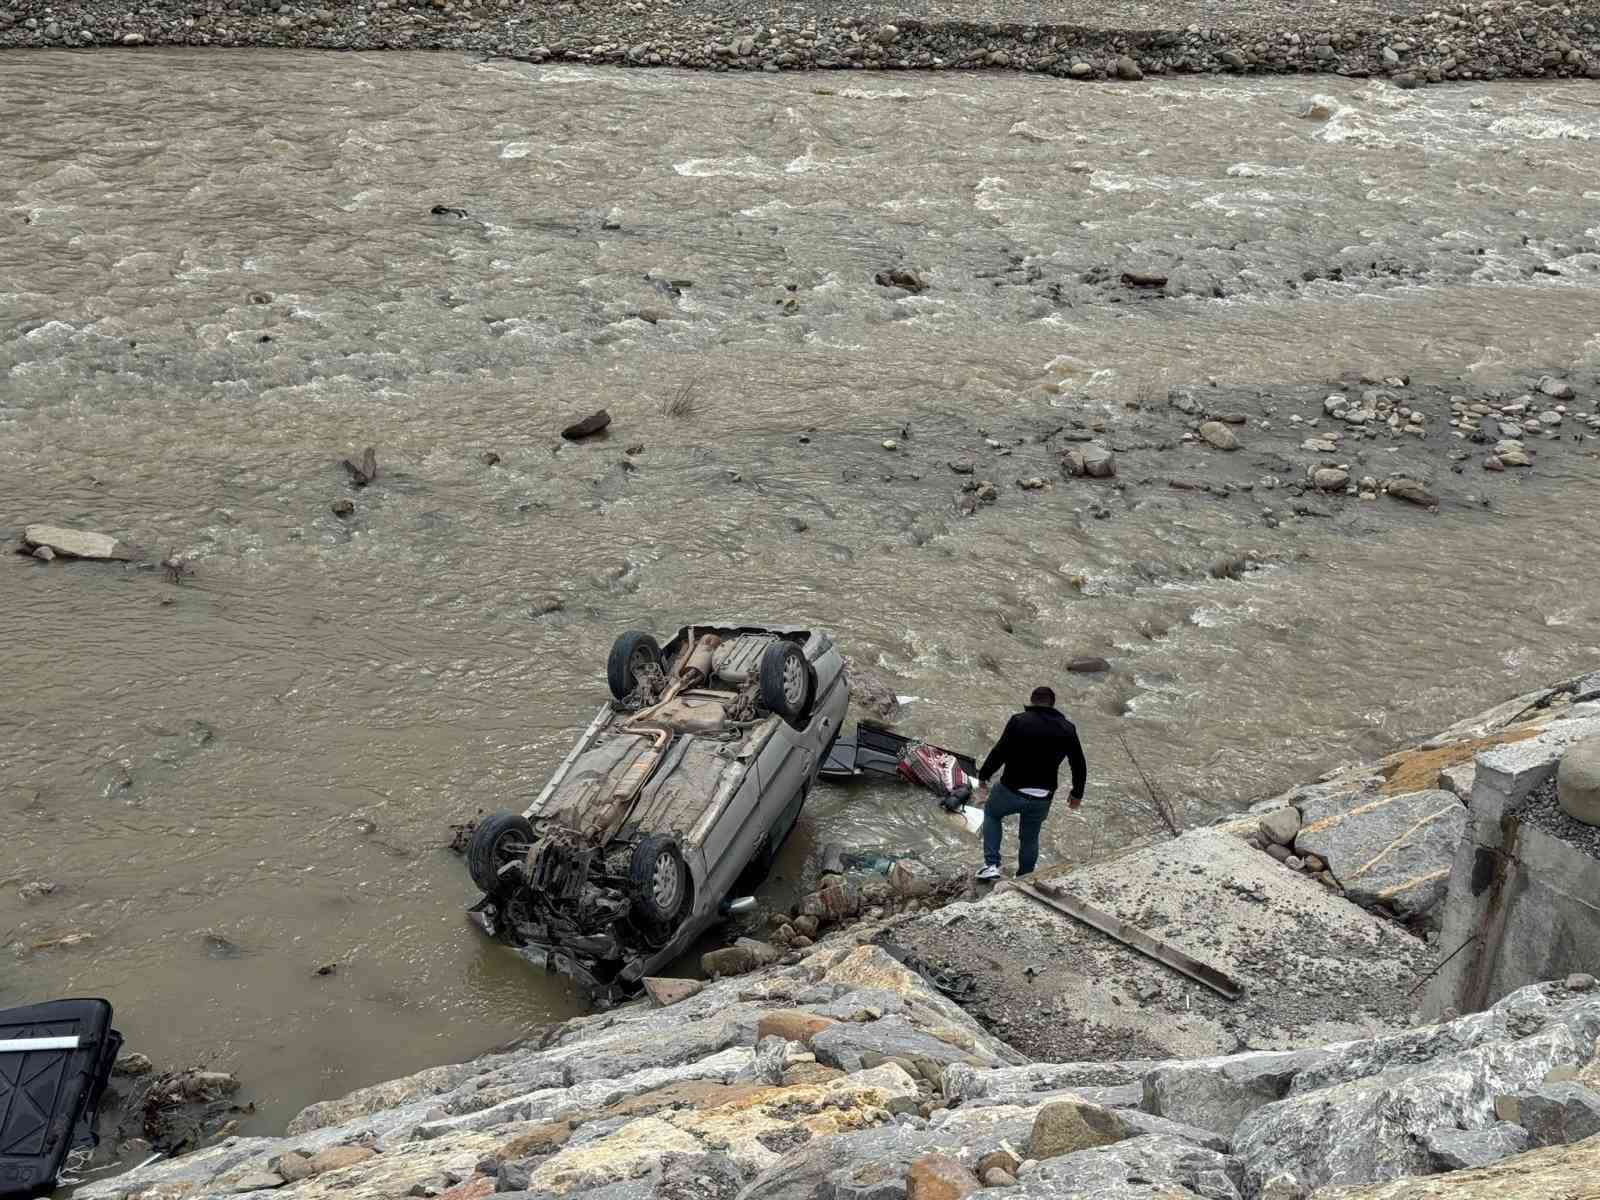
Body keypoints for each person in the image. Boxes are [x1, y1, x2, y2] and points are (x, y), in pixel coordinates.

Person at [974, 685, 1086, 880]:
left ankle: (991, 865)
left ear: (1032, 701)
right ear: (1052, 704)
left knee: (992, 813)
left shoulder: (1019, 721)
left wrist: (983, 776)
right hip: (1043, 796)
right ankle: (1025, 877)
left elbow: (1000, 751)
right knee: (1030, 837)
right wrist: (1077, 793)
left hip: (1011, 789)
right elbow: (1078, 763)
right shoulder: (1068, 728)